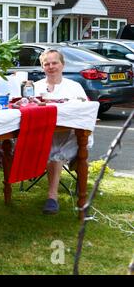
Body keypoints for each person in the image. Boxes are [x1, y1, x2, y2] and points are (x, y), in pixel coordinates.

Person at [35, 49, 89, 215]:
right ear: (42, 67)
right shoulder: (35, 87)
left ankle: (52, 197)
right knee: (50, 148)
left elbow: (86, 111)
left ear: (62, 65)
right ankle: (54, 192)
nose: (51, 67)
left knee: (57, 152)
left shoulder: (74, 87)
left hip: (73, 135)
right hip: (45, 135)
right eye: (47, 64)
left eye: (55, 63)